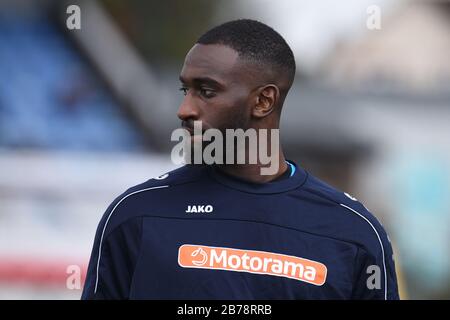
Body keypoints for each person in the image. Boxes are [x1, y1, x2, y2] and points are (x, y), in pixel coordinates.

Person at [82, 19, 399, 299]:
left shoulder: (353, 232)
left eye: (206, 91)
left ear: (263, 101)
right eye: (185, 91)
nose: (184, 110)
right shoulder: (135, 215)